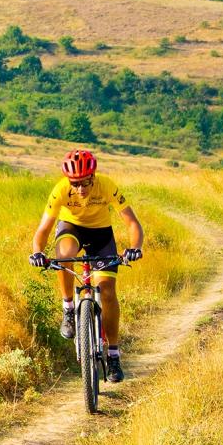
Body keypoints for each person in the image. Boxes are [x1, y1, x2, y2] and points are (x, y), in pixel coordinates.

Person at [27, 149, 144, 383]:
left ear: (94, 177)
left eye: (85, 183)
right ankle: (69, 308)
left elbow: (132, 223)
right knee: (65, 255)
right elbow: (43, 230)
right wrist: (37, 252)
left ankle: (113, 357)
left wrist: (135, 247)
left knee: (108, 292)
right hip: (72, 228)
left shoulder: (107, 185)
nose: (80, 189)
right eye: (76, 183)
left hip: (102, 235)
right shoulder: (60, 189)